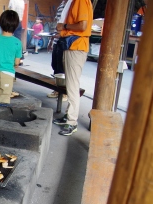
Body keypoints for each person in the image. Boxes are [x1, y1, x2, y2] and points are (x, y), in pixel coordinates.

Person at [53, 0, 93, 136]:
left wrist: (63, 25)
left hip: (76, 47)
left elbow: (82, 26)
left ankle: (72, 122)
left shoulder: (80, 1)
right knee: (71, 84)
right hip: (72, 46)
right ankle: (68, 116)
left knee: (72, 85)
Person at [47, 0, 67, 100]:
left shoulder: (70, 5)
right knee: (55, 65)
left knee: (62, 68)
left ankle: (64, 92)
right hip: (56, 40)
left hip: (64, 41)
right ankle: (57, 89)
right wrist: (51, 41)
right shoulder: (61, 5)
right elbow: (57, 23)